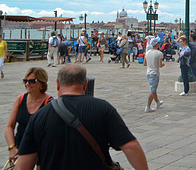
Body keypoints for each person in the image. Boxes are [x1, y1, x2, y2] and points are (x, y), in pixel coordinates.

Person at [15, 64, 148, 170]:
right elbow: (131, 146)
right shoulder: (103, 109)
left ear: (57, 84)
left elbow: (22, 166)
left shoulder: (39, 116)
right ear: (85, 84)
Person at [4, 68, 53, 164]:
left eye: (32, 81)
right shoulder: (21, 98)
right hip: (21, 147)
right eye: (25, 81)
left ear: (41, 83)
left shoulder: (49, 103)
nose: (27, 84)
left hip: (40, 149)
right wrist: (12, 147)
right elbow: (9, 126)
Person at [143, 38, 164, 112]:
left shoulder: (147, 52)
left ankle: (157, 102)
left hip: (148, 72)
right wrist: (163, 64)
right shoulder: (159, 53)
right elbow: (160, 65)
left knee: (153, 88)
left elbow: (144, 64)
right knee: (152, 90)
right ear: (157, 44)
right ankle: (148, 106)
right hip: (155, 73)